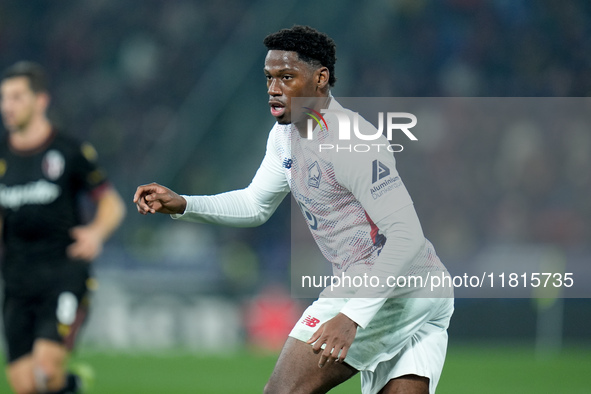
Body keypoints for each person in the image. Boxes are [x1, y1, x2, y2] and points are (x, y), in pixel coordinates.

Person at [134, 25, 453, 394]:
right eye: (269, 78)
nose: (274, 88)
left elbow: (406, 236)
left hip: (391, 287)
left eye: (287, 77)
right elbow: (255, 204)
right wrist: (185, 204)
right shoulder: (285, 136)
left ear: (320, 79)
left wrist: (351, 316)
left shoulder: (352, 141)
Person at [0, 61, 126, 394]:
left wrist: (96, 233)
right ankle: (70, 386)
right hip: (16, 280)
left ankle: (60, 381)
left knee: (45, 368)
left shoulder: (68, 151)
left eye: (16, 97)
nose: (6, 107)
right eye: (4, 98)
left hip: (63, 273)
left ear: (40, 101)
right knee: (25, 386)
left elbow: (112, 203)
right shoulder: (2, 156)